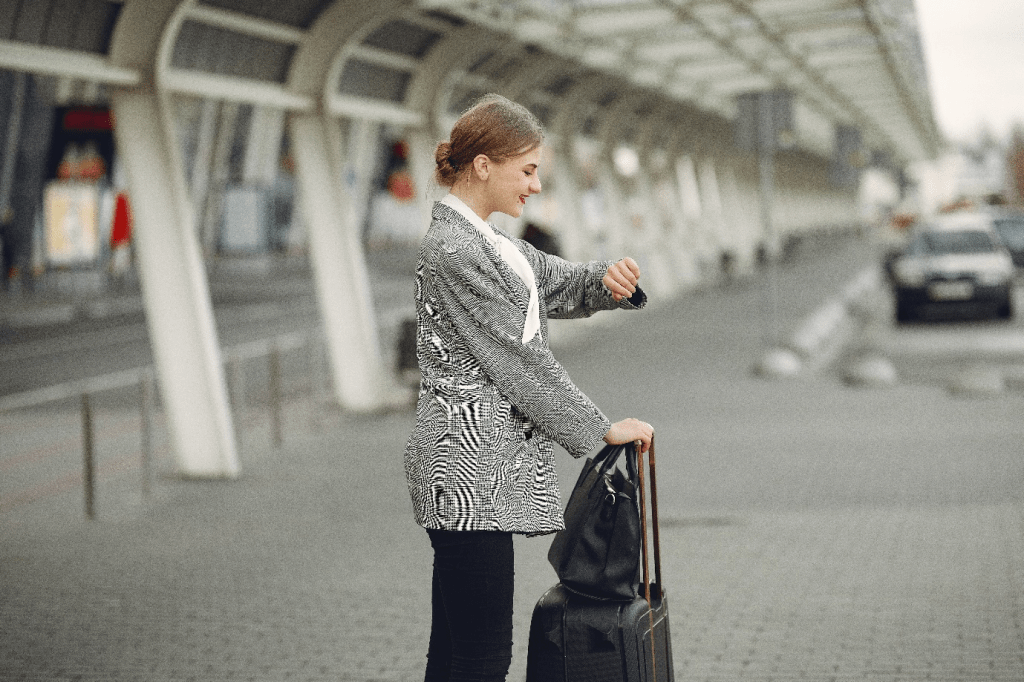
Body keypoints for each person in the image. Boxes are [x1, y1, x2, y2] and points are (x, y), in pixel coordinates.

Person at [404, 93, 654, 682]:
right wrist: (598, 429)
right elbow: (517, 360)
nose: (536, 186)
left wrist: (607, 282)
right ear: (483, 164)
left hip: (478, 476)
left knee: (467, 648)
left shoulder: (490, 243)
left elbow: (558, 283)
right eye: (529, 170)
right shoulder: (455, 250)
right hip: (465, 474)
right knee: (478, 653)